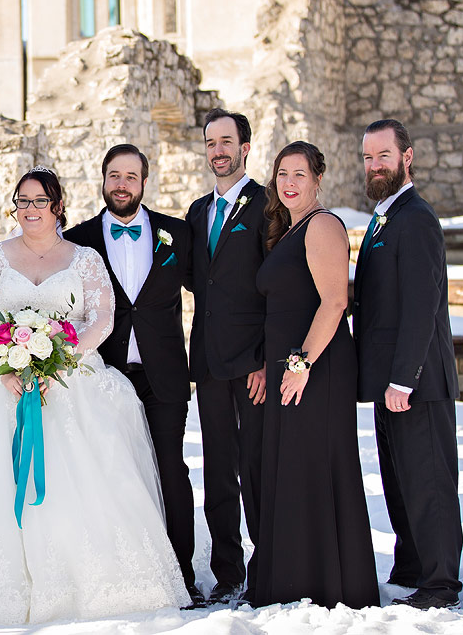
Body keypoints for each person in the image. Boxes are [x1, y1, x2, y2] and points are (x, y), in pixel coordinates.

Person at [0, 167, 189, 623]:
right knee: (1, 479)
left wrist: (57, 358)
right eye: (22, 201)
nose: (30, 210)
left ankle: (88, 578)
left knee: (84, 477)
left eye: (39, 201)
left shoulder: (84, 258)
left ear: (57, 205)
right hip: (6, 384)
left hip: (71, 380)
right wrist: (4, 367)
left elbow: (102, 318)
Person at [63, 144, 200, 607]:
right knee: (114, 474)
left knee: (171, 471)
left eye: (131, 176)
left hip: (164, 376)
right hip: (104, 375)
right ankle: (125, 573)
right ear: (102, 180)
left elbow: (213, 293)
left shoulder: (176, 234)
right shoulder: (79, 240)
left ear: (145, 181)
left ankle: (182, 576)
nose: (121, 184)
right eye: (114, 176)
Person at [253, 142, 379, 609]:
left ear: (317, 179)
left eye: (299, 174)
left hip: (317, 367)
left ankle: (330, 585)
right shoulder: (289, 230)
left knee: (316, 467)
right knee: (294, 470)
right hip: (290, 366)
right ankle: (296, 580)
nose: (288, 182)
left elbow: (334, 302)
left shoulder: (323, 225)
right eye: (282, 173)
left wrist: (302, 363)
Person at [353, 118, 463, 610]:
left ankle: (441, 583)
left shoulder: (416, 217)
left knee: (430, 482)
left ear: (407, 157)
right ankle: (414, 565)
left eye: (384, 156)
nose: (376, 166)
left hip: (417, 381)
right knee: (401, 480)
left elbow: (422, 305)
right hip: (388, 382)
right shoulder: (382, 216)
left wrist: (403, 379)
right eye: (368, 157)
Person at [184, 108, 269, 606]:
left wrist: (265, 357)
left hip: (253, 362)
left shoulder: (266, 205)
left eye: (226, 142)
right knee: (218, 469)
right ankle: (227, 571)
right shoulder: (197, 212)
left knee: (256, 467)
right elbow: (200, 279)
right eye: (211, 142)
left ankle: (266, 564)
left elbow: (275, 287)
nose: (218, 151)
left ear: (245, 149)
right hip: (210, 363)